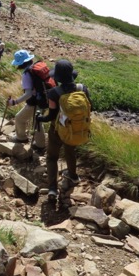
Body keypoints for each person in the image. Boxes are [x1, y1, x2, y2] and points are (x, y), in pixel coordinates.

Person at [37, 59, 91, 204]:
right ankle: (73, 176)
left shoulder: (54, 92)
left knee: (52, 157)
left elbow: (51, 116)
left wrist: (40, 118)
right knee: (70, 151)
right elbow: (90, 108)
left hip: (57, 130)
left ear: (58, 77)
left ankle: (53, 189)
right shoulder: (82, 89)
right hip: (75, 129)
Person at [6, 49, 39, 143]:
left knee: (19, 118)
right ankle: (40, 145)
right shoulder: (35, 67)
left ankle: (21, 138)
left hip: (33, 101)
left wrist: (14, 102)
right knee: (38, 121)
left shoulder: (26, 74)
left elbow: (28, 94)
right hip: (43, 99)